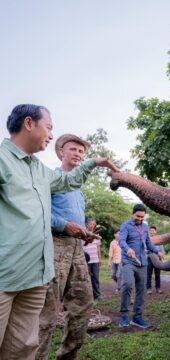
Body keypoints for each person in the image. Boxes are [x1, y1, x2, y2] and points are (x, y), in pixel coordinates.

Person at [0, 105, 118, 360]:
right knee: (44, 319)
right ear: (29, 123)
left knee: (24, 344)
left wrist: (95, 162)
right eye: (49, 127)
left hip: (43, 266)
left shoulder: (40, 171)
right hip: (22, 264)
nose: (51, 134)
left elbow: (69, 182)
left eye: (82, 151)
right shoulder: (7, 162)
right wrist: (64, 225)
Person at [36, 134, 95, 359]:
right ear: (61, 151)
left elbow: (75, 222)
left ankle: (67, 355)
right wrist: (64, 225)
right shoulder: (51, 178)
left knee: (83, 304)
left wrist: (84, 234)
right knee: (47, 312)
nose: (78, 154)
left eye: (82, 152)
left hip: (76, 249)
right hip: (54, 245)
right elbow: (38, 211)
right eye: (73, 149)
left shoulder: (78, 190)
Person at [118, 204, 165, 329]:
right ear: (132, 214)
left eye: (142, 217)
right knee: (127, 284)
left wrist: (157, 251)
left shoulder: (145, 227)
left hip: (143, 262)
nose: (140, 219)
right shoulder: (126, 226)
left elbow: (149, 243)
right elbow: (121, 241)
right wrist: (128, 249)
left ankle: (137, 318)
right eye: (138, 216)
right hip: (129, 261)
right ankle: (124, 316)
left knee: (141, 290)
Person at [83, 218, 102, 300]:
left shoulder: (97, 235)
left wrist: (100, 259)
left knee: (95, 278)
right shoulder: (83, 233)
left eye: (93, 224)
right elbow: (82, 246)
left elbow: (98, 248)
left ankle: (97, 295)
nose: (92, 226)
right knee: (87, 278)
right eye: (91, 224)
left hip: (95, 260)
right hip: (86, 260)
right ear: (87, 224)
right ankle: (88, 295)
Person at [146, 226, 165, 294]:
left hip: (158, 259)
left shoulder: (159, 239)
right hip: (149, 259)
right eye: (150, 230)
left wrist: (162, 258)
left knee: (157, 274)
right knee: (149, 274)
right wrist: (148, 252)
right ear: (149, 231)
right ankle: (148, 288)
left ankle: (158, 288)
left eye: (153, 230)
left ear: (155, 231)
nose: (152, 232)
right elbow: (144, 249)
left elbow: (162, 250)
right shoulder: (147, 239)